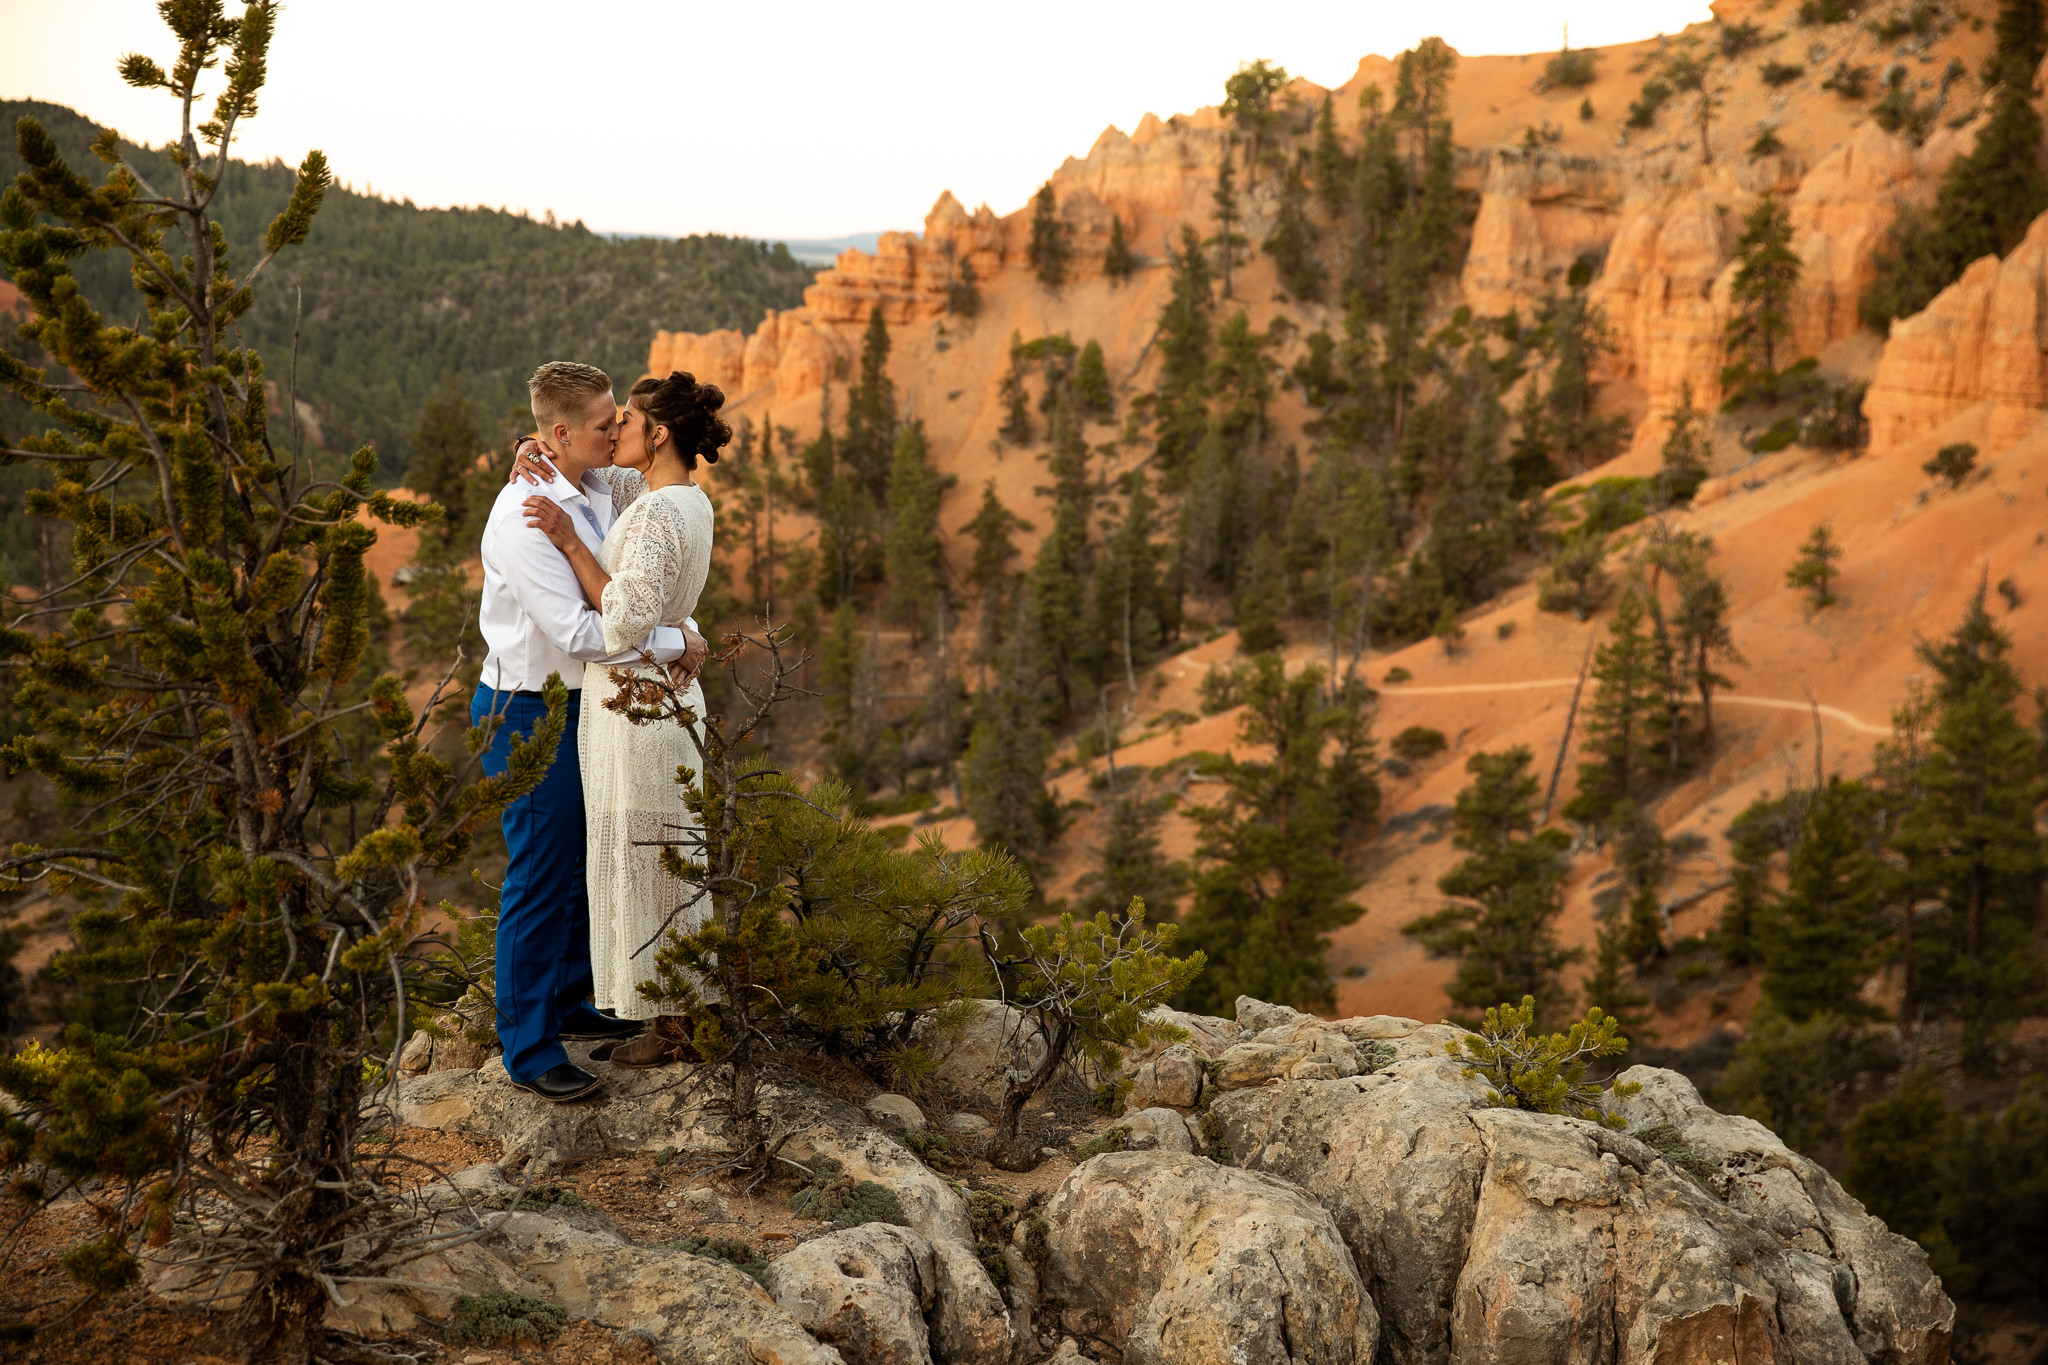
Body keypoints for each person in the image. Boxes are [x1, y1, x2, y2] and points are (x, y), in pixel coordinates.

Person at [472, 360, 706, 1102]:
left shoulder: (602, 483)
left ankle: (571, 1000)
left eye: (620, 420)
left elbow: (650, 562)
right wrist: (679, 642)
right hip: (526, 710)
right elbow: (582, 631)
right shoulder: (525, 514)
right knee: (539, 873)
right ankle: (530, 1048)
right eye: (605, 424)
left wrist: (681, 622)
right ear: (563, 432)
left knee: (577, 858)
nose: (616, 432)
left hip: (582, 703)